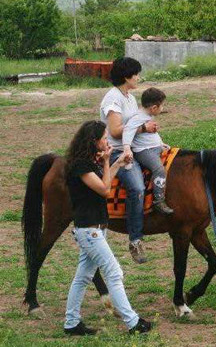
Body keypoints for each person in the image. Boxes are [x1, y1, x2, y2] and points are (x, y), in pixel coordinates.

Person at [63, 120, 152, 336]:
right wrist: (106, 163)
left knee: (82, 277)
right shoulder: (80, 166)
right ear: (94, 141)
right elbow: (104, 189)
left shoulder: (86, 163)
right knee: (114, 271)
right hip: (90, 231)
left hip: (94, 230)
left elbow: (105, 181)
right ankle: (132, 323)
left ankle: (71, 323)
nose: (107, 140)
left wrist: (117, 162)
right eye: (104, 138)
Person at [100, 57, 156, 263]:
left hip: (133, 147)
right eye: (136, 74)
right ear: (126, 76)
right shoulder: (112, 99)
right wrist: (142, 128)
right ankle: (135, 239)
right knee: (137, 187)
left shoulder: (130, 98)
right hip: (117, 152)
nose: (139, 78)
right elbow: (114, 131)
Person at [122, 87, 174, 215]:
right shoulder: (138, 118)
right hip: (144, 151)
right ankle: (158, 200)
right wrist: (127, 147)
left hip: (154, 148)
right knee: (159, 169)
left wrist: (161, 144)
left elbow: (151, 135)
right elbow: (128, 131)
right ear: (154, 108)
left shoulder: (147, 115)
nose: (163, 108)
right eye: (162, 106)